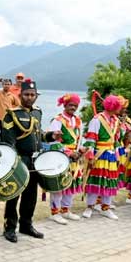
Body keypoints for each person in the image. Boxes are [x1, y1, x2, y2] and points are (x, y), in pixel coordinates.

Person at [1, 78, 51, 242]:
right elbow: (8, 141)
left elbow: (38, 134)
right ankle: (9, 227)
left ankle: (26, 225)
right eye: (27, 94)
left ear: (36, 96)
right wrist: (14, 162)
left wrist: (50, 136)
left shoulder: (37, 112)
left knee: (31, 195)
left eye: (32, 94)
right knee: (14, 195)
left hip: (35, 161)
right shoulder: (12, 115)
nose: (30, 97)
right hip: (20, 159)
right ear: (20, 94)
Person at [45, 93, 85, 224]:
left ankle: (66, 210)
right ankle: (54, 212)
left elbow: (79, 140)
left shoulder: (77, 120)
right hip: (60, 156)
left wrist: (81, 150)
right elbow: (53, 142)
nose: (73, 107)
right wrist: (68, 152)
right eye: (70, 105)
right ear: (65, 105)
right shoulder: (57, 120)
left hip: (74, 157)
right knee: (59, 185)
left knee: (70, 184)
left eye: (75, 105)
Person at [81, 95, 122, 220]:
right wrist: (91, 155)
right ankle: (90, 207)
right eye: (119, 107)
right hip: (100, 154)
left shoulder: (116, 121)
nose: (120, 109)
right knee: (95, 181)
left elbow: (116, 139)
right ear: (114, 107)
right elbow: (91, 138)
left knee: (109, 182)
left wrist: (117, 153)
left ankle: (106, 208)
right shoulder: (97, 119)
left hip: (111, 156)